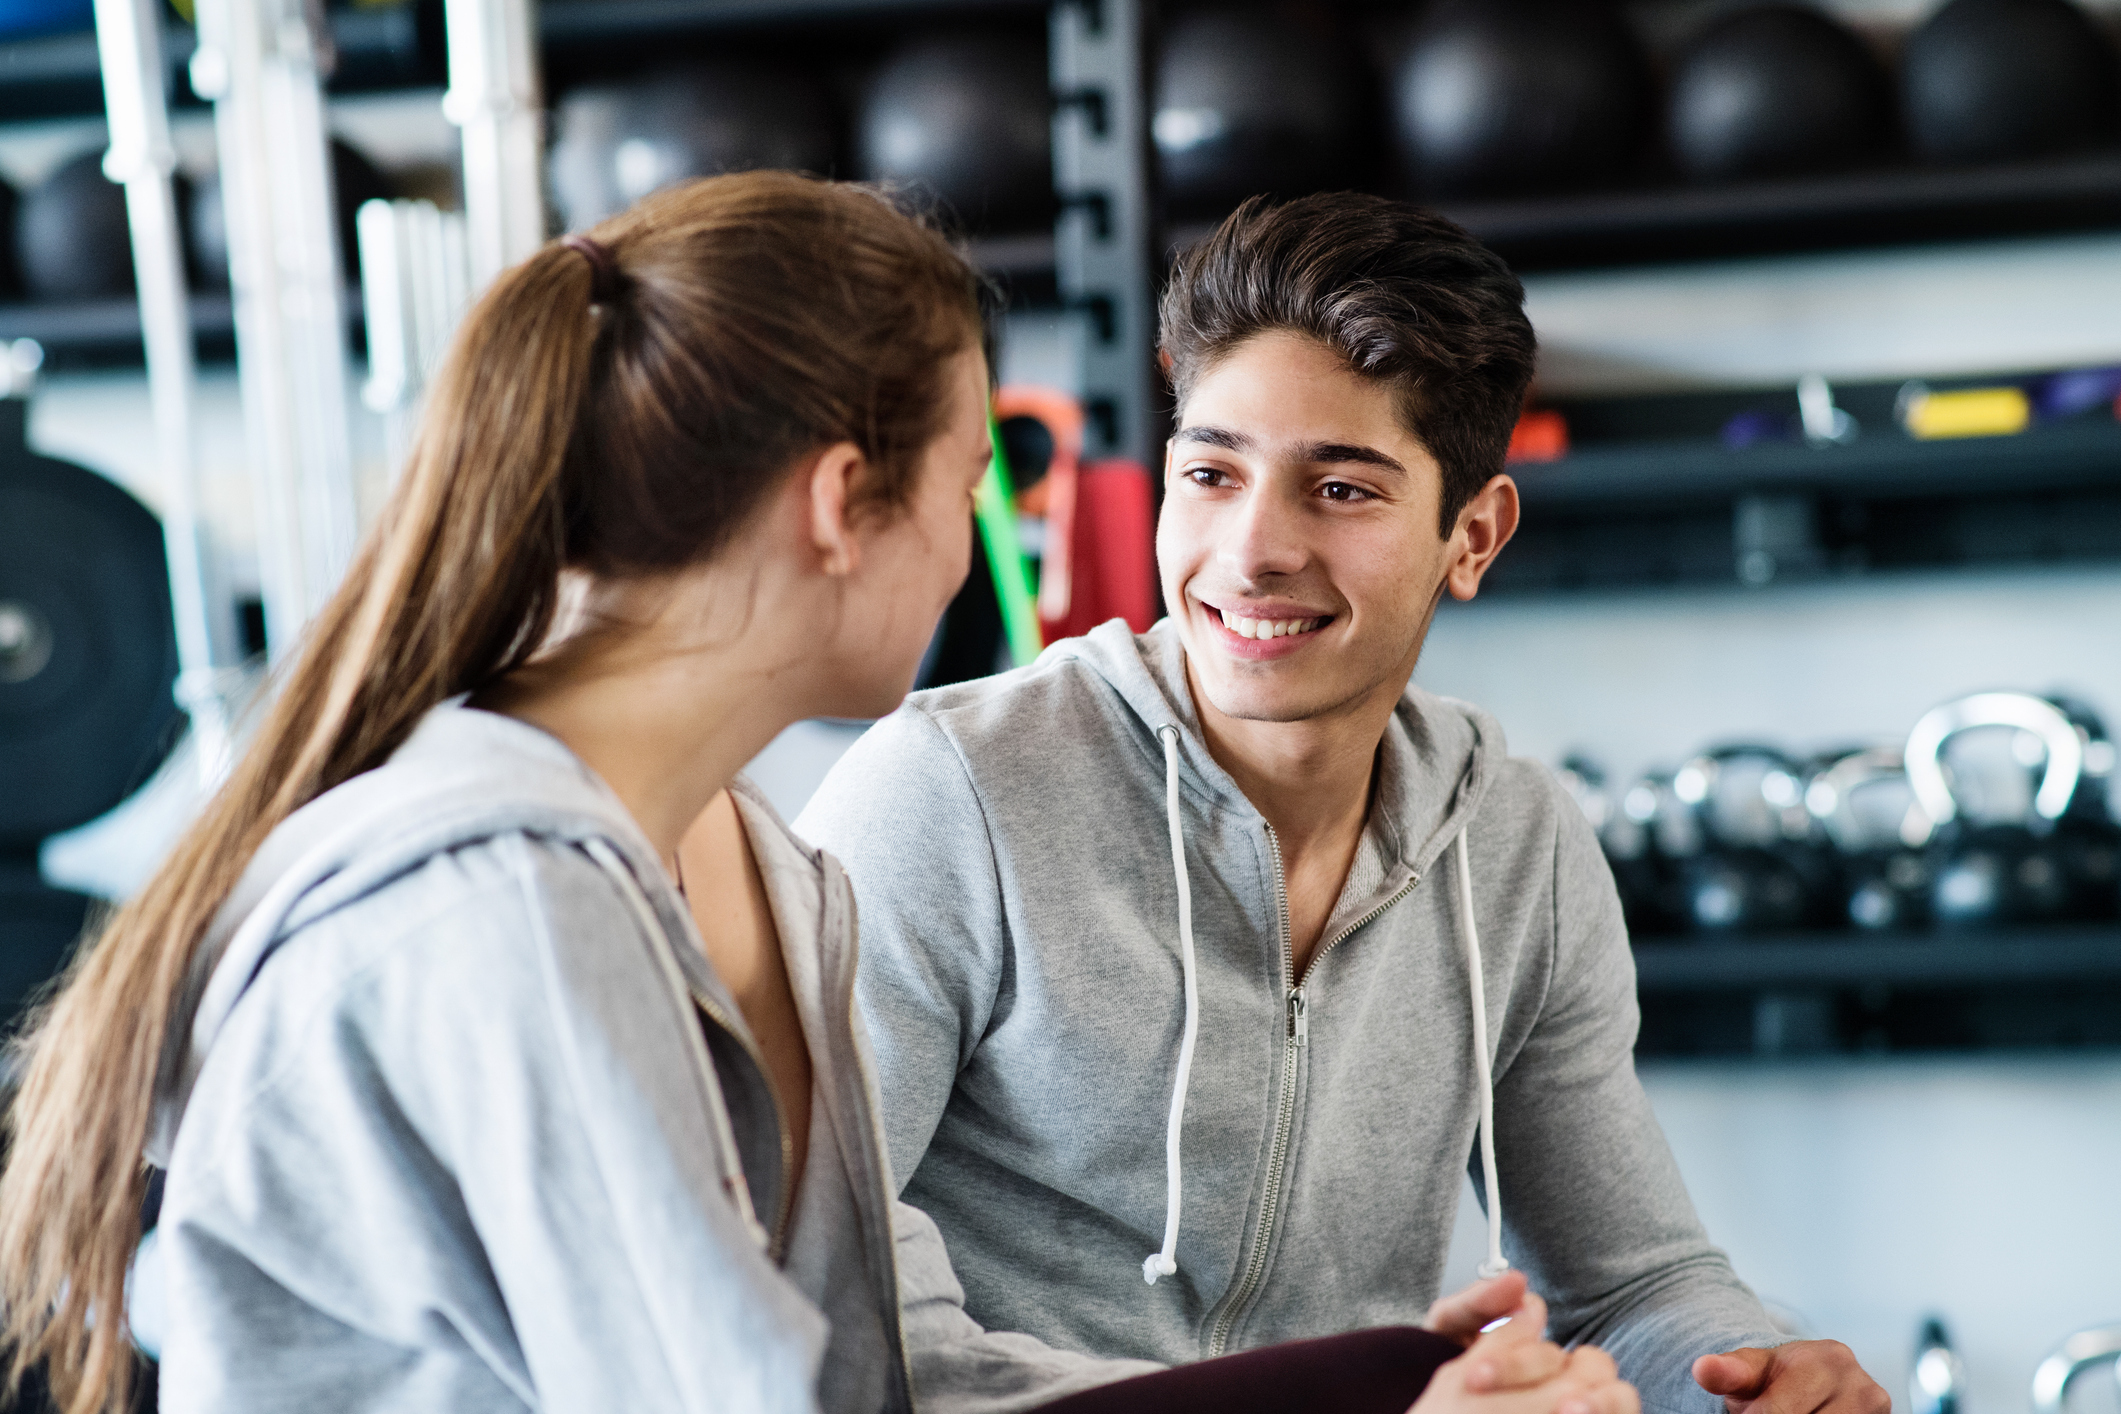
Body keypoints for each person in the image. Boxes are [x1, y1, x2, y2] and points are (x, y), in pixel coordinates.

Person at [0, 174, 1638, 1414]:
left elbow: (886, 1381)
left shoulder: (768, 869)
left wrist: (1360, 1383)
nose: (982, 553)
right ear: (845, 502)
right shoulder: (508, 907)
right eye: (973, 486)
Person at [796, 193, 1890, 1414]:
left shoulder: (1516, 845)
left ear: (1471, 536)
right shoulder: (947, 795)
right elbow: (821, 1302)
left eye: (1343, 490)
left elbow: (1629, 1286)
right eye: (1211, 472)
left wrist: (1746, 1374)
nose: (1252, 548)